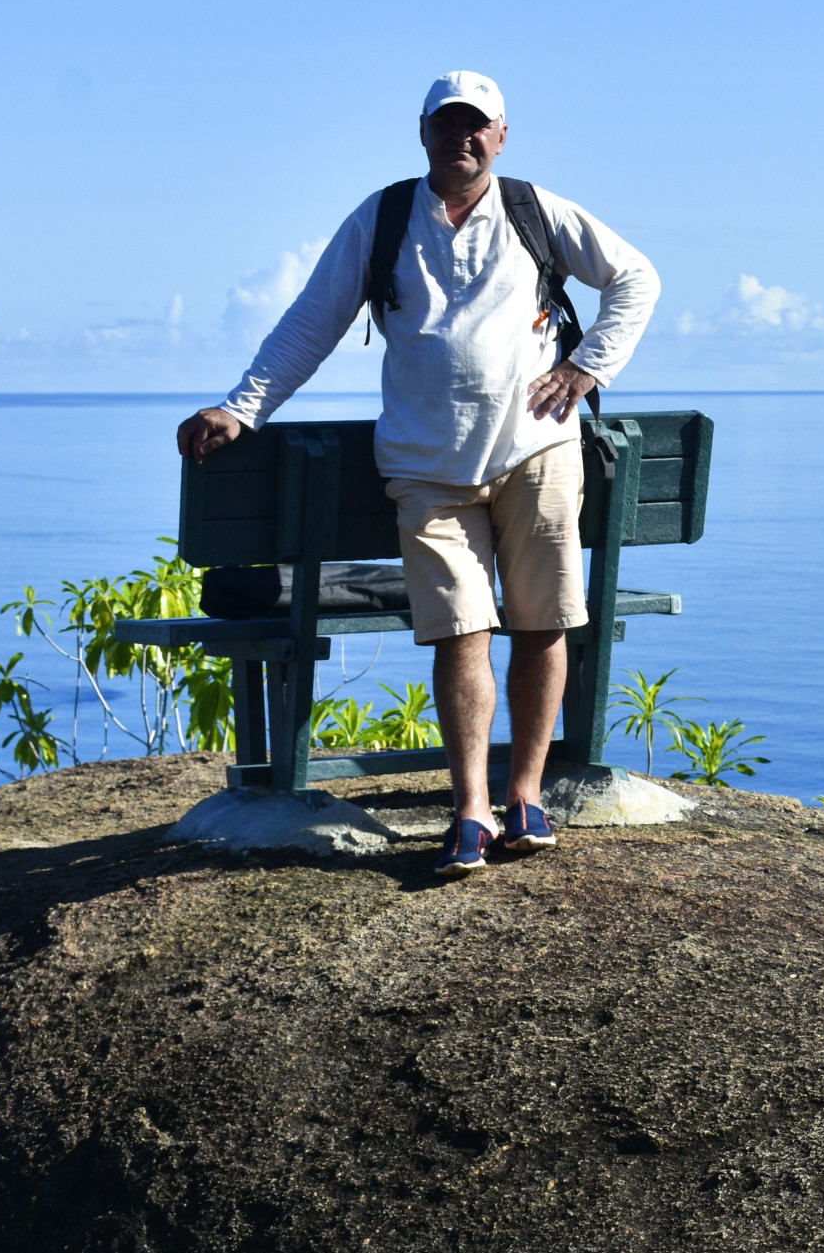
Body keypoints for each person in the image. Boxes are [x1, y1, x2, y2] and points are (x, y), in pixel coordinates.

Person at [176, 71, 659, 878]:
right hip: (427, 469)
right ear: (424, 132)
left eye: (478, 126)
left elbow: (636, 278)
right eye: (448, 124)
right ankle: (470, 807)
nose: (462, 138)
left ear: (501, 136)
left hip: (537, 450)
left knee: (541, 622)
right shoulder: (385, 217)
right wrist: (243, 406)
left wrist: (584, 368)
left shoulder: (537, 212)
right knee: (462, 633)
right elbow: (312, 321)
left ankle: (526, 797)